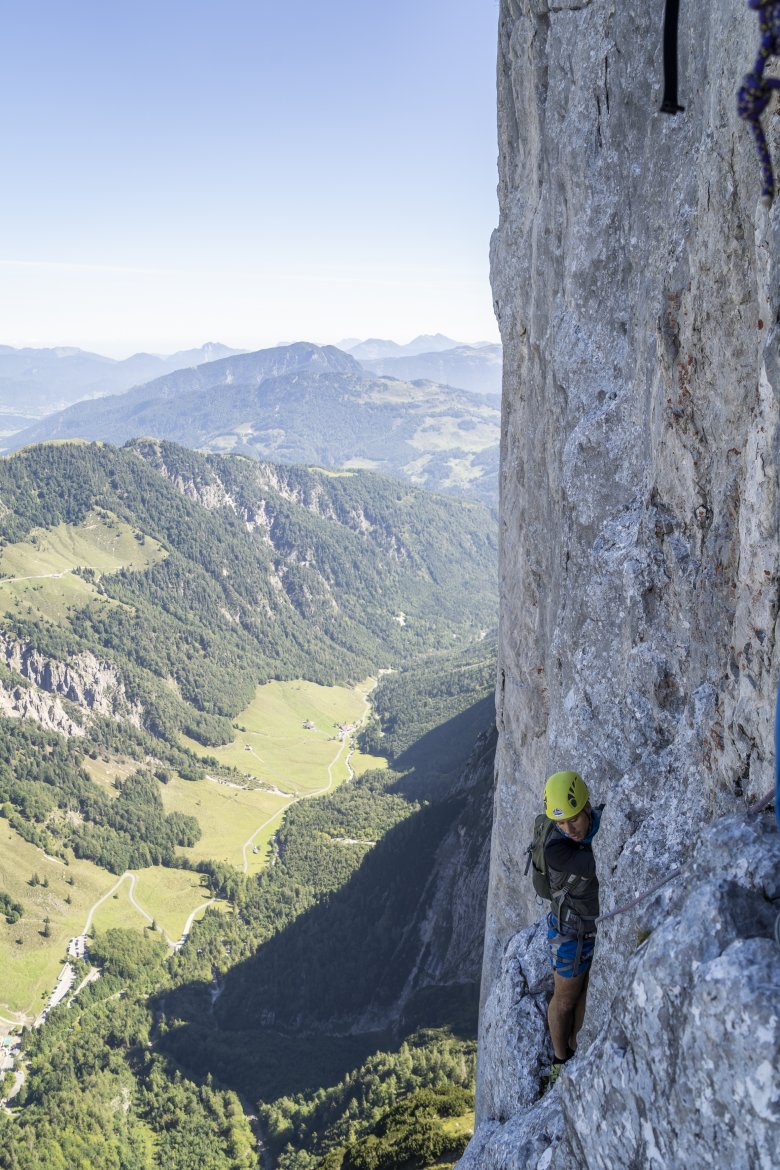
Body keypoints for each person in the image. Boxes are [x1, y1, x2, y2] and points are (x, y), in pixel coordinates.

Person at [542, 770, 601, 1084]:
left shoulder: (597, 822)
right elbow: (597, 863)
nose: (568, 829)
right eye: (561, 823)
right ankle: (559, 1059)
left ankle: (576, 1047)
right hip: (570, 932)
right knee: (565, 999)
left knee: (585, 995)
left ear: (587, 807)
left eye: (573, 819)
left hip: (592, 927)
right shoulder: (556, 850)